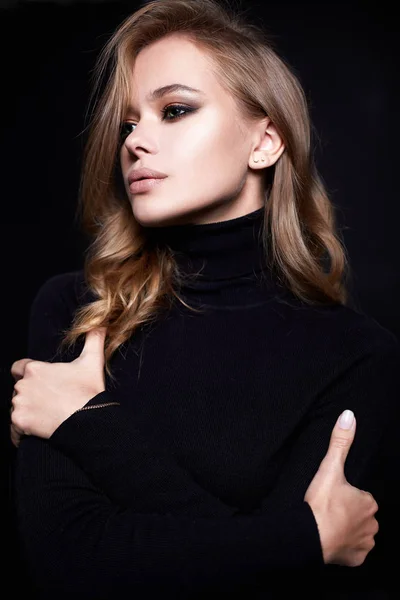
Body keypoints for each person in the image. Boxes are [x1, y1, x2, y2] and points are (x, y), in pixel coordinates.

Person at [9, 0, 399, 598]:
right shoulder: (78, 311)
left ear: (265, 142)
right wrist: (305, 541)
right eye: (128, 123)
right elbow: (71, 562)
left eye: (175, 110)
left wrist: (85, 425)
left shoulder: (359, 356)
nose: (136, 141)